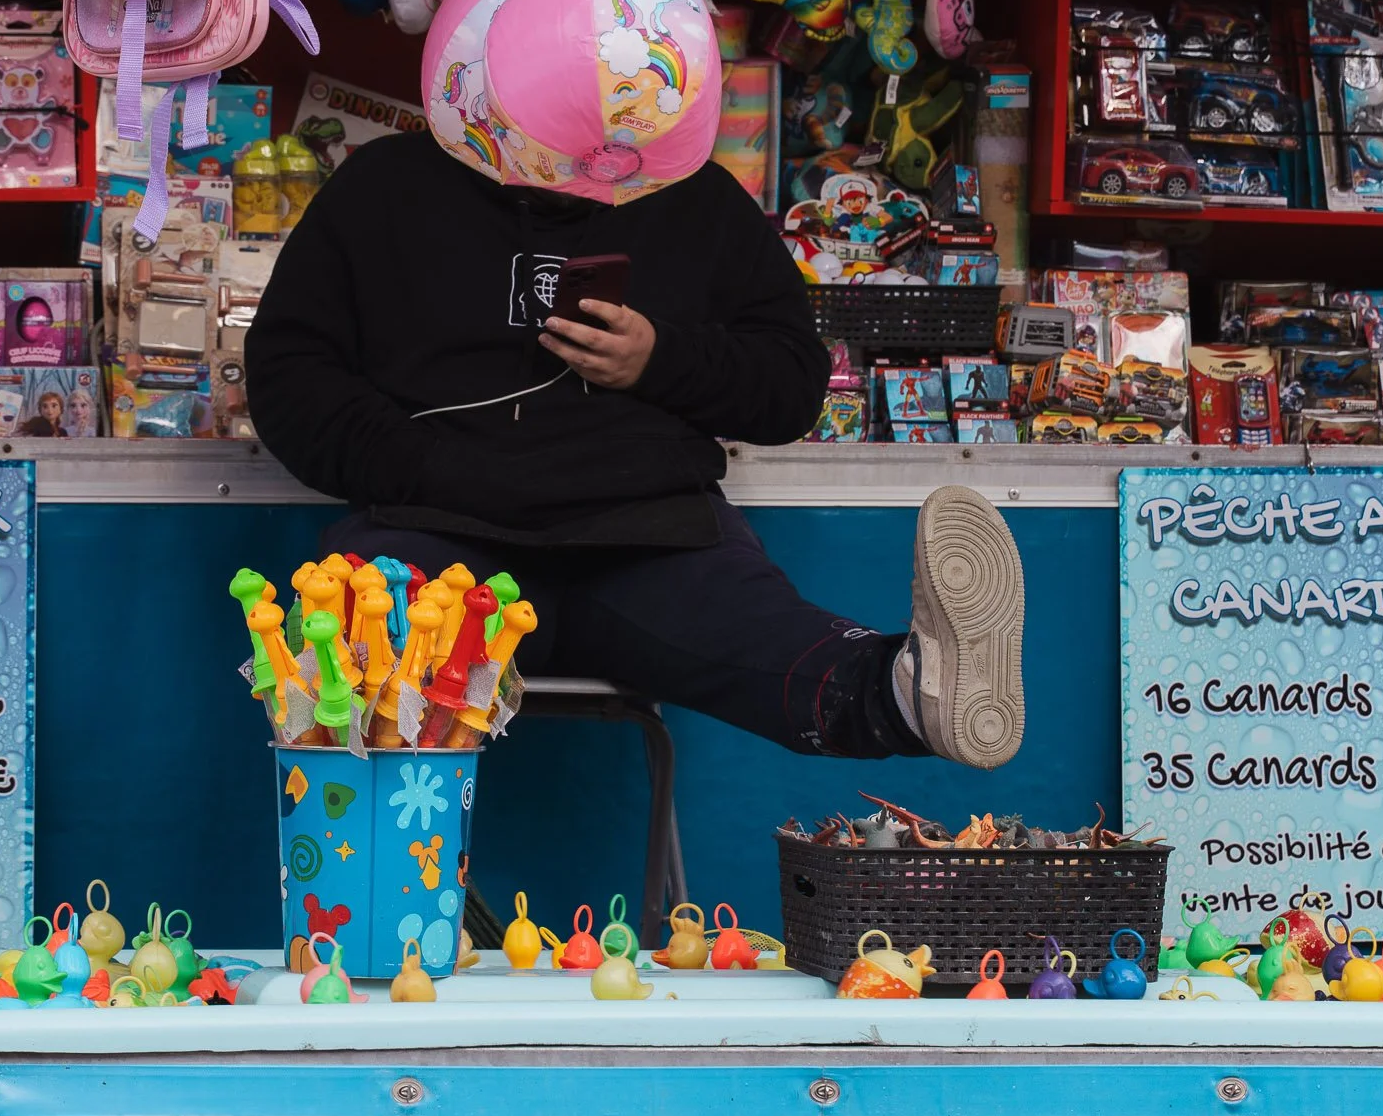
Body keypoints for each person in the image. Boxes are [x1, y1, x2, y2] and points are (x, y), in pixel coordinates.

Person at [244, 129, 1024, 768]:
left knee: (766, 636)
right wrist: (424, 465)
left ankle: (906, 690)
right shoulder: (386, 184)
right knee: (370, 670)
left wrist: (660, 359)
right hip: (430, 528)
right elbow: (287, 375)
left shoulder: (693, 193)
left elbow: (791, 386)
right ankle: (385, 915)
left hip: (649, 537)